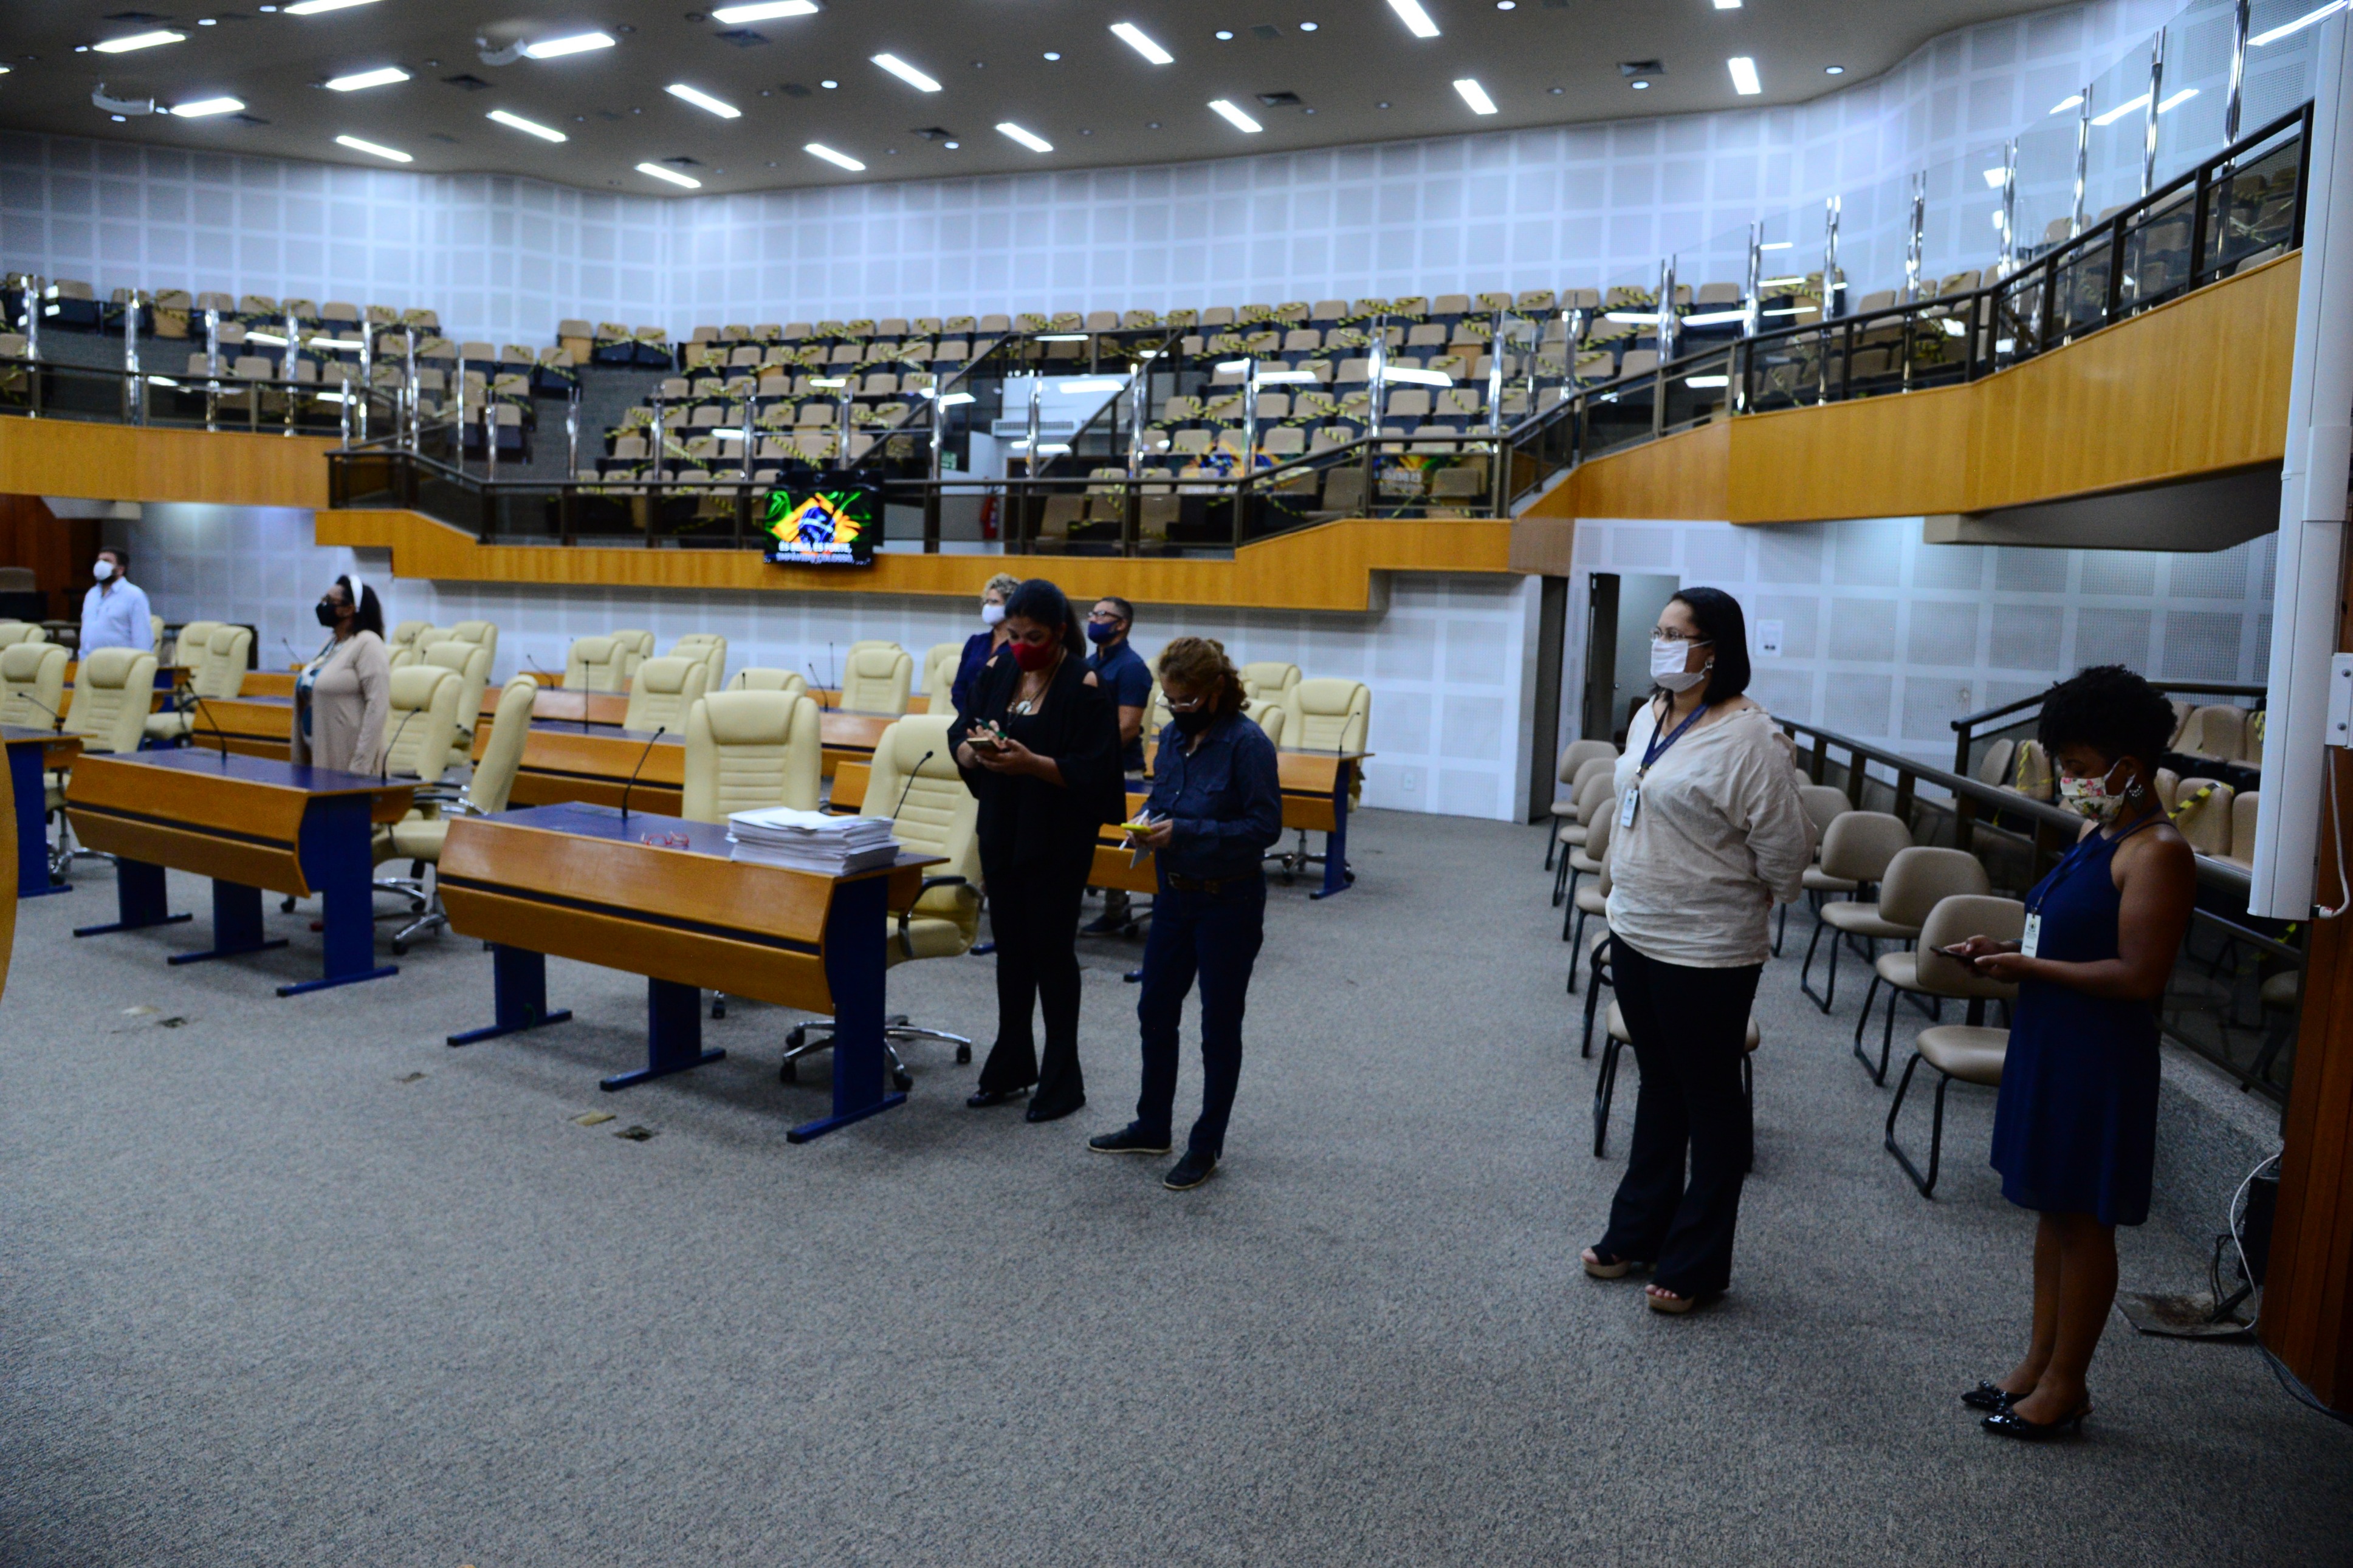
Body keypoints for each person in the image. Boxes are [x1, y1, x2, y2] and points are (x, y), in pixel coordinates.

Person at [1948, 665, 2194, 1440]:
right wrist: (2004, 948)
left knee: (2084, 1221)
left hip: (2098, 1056)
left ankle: (2067, 1384)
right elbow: (2064, 935)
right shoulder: (2097, 833)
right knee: (2052, 1212)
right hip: (2051, 1038)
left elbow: (2137, 975)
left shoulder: (2155, 851)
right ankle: (2035, 1364)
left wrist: (2026, 969)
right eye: (2063, 765)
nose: (2070, 781)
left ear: (2131, 765)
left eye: (2082, 767)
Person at [1581, 587, 1813, 1313]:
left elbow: (1785, 850)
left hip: (1706, 946)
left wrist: (1758, 894)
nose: (1660, 643)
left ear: (1714, 650)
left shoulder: (1752, 738)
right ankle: (1637, 1229)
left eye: (1674, 633)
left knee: (1709, 1098)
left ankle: (1697, 1260)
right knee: (1658, 1083)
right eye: (1658, 630)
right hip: (1636, 929)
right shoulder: (1650, 714)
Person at [1089, 637, 1283, 1190]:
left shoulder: (1248, 744)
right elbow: (1165, 798)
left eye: (1188, 700)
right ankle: (1153, 1125)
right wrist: (1149, 824)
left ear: (1217, 689)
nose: (1177, 709)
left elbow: (1264, 828)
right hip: (1173, 895)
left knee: (1218, 1026)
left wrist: (1188, 831)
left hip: (1229, 900)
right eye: (1169, 699)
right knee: (1155, 1009)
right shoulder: (1173, 737)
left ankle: (1206, 1143)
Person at [949, 578, 1126, 1122]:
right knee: (1012, 952)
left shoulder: (1085, 683)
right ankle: (1011, 1063)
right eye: (1015, 634)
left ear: (1059, 632)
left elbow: (1095, 773)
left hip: (1056, 837)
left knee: (1051, 953)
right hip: (1003, 828)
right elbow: (961, 729)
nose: (1022, 645)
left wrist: (1032, 764)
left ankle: (1062, 1077)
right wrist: (973, 753)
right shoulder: (999, 669)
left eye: (1034, 637)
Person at [1080, 595, 1154, 935]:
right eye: (1092, 613)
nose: (1093, 619)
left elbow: (1127, 727)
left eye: (1101, 615)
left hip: (1120, 768)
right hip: (1088, 763)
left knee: (1115, 839)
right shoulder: (1089, 662)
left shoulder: (1131, 667)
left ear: (1121, 624)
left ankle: (1115, 912)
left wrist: (1090, 755)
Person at [290, 573, 391, 775]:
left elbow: (377, 706)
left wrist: (361, 765)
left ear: (349, 609)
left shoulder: (368, 644)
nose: (323, 605)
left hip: (348, 763)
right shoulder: (331, 643)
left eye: (329, 601)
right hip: (317, 756)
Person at [950, 572, 1022, 716]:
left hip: (1001, 720)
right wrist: (968, 715)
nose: (988, 607)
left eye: (994, 602)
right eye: (987, 602)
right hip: (967, 718)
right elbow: (959, 687)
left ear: (1011, 606)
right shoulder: (975, 642)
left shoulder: (1018, 647)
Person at [78, 547, 152, 656]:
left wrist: (141, 661)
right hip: (89, 660)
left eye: (107, 561)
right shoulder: (92, 594)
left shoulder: (134, 595)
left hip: (120, 661)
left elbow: (142, 636)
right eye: (99, 561)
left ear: (121, 569)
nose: (100, 565)